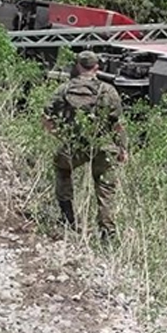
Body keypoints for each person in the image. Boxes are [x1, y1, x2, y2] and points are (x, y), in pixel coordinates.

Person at [42, 50, 128, 240]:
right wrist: (122, 149)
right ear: (96, 67)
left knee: (62, 168)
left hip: (75, 146)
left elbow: (46, 117)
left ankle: (68, 218)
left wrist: (60, 135)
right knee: (105, 189)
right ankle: (107, 234)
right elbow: (118, 124)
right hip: (104, 146)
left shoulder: (64, 89)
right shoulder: (108, 90)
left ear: (78, 66)